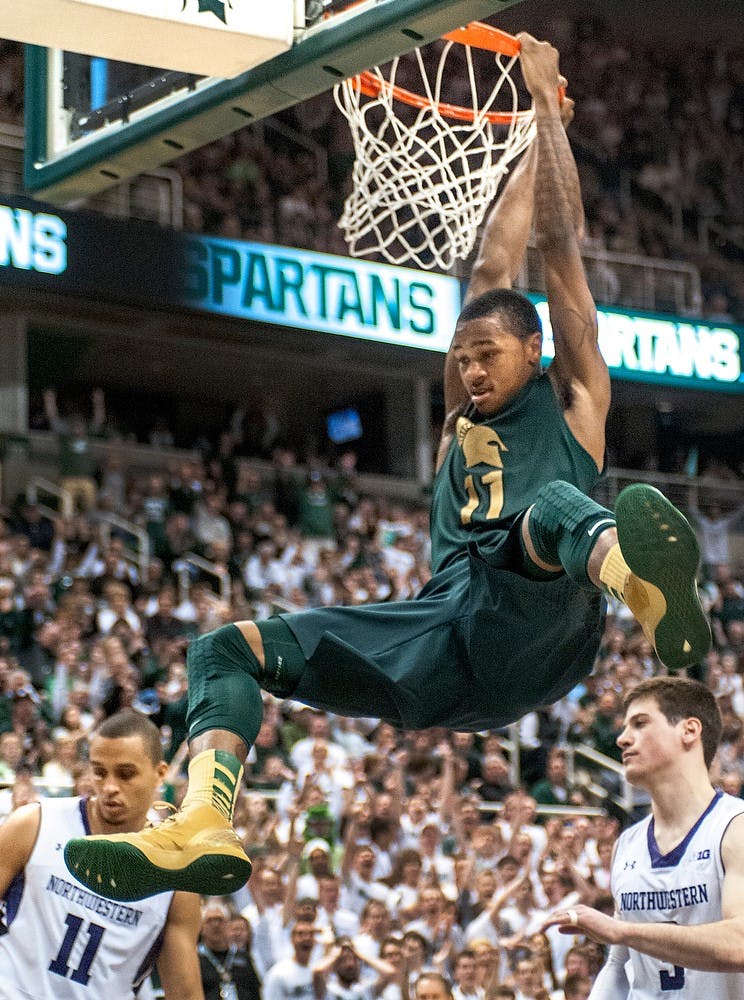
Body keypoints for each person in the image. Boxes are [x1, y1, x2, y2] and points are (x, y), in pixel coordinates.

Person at [64, 35, 710, 903]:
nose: (473, 371)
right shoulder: (457, 414)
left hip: (543, 626)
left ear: (534, 350)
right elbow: (488, 264)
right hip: (444, 645)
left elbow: (558, 245)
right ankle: (202, 820)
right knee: (224, 648)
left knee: (552, 504)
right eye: (462, 357)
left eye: (488, 355)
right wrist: (533, 122)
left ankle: (642, 588)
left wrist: (549, 108)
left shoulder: (576, 405)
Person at [541, 676, 744, 996]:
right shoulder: (628, 843)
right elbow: (619, 962)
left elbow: (740, 944)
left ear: (689, 731)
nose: (622, 739)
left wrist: (623, 931)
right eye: (624, 727)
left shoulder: (735, 827)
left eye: (639, 724)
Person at [0, 708, 203, 999]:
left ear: (160, 774)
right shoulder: (34, 823)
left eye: (125, 774)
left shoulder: (176, 877)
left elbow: (184, 993)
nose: (109, 787)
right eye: (99, 771)